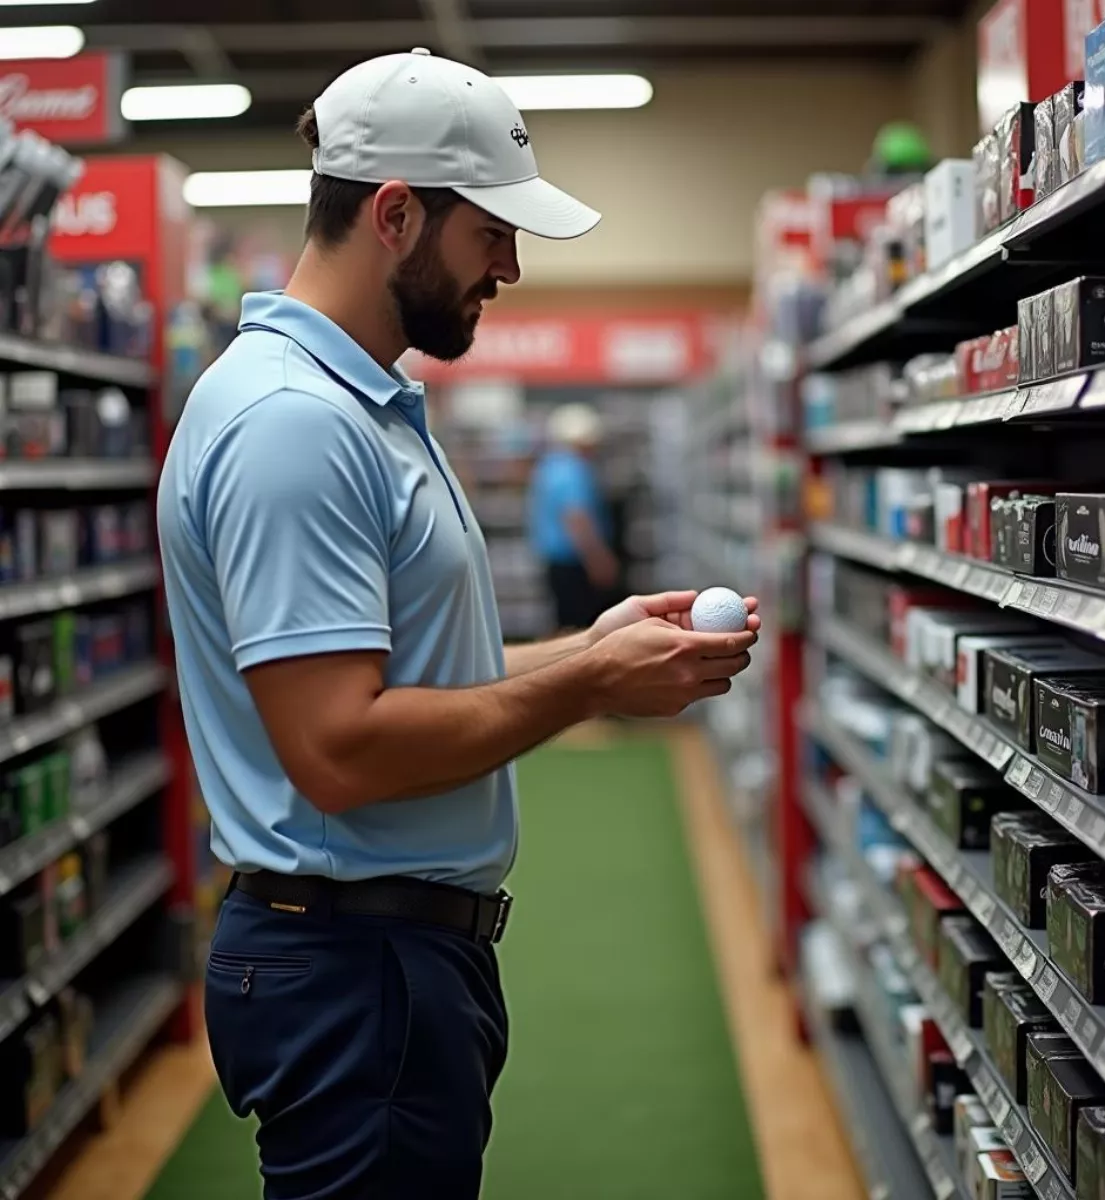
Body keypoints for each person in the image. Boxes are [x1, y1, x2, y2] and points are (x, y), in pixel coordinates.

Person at [156, 47, 760, 1200]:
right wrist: (586, 690)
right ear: (395, 215)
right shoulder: (294, 423)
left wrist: (594, 646)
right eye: (492, 233)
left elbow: (413, 673)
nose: (513, 268)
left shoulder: (359, 406)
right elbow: (339, 749)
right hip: (352, 967)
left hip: (389, 955)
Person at [527, 401, 621, 631]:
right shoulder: (574, 469)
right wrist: (598, 559)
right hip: (575, 562)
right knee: (581, 626)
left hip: (556, 561)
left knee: (564, 621)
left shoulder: (548, 466)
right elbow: (577, 518)